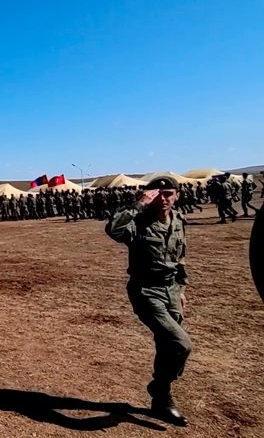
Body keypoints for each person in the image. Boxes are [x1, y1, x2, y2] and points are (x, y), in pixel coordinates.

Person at [106, 175, 191, 427]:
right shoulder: (138, 222)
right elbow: (114, 229)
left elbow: (181, 257)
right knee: (181, 344)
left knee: (166, 346)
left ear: (177, 196)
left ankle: (161, 401)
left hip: (171, 292)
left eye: (169, 194)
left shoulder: (178, 220)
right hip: (146, 291)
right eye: (158, 194)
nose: (163, 199)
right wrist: (139, 204)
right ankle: (159, 388)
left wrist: (181, 288)